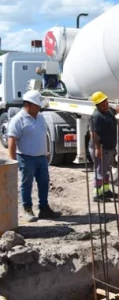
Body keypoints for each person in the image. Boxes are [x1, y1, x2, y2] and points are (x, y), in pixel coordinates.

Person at [7, 90, 61, 222]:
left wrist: (46, 151)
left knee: (43, 182)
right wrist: (12, 161)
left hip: (41, 157)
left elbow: (43, 135)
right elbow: (12, 141)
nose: (39, 107)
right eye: (37, 105)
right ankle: (27, 209)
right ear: (28, 105)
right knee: (27, 184)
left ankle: (44, 208)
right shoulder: (18, 120)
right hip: (26, 158)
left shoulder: (40, 117)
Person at [89, 91, 119, 202]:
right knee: (100, 171)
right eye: (103, 105)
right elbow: (93, 134)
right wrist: (97, 148)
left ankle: (105, 190)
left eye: (106, 103)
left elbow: (115, 110)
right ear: (97, 105)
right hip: (100, 148)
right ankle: (97, 193)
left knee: (107, 170)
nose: (106, 106)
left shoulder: (108, 111)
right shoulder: (96, 117)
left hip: (109, 147)